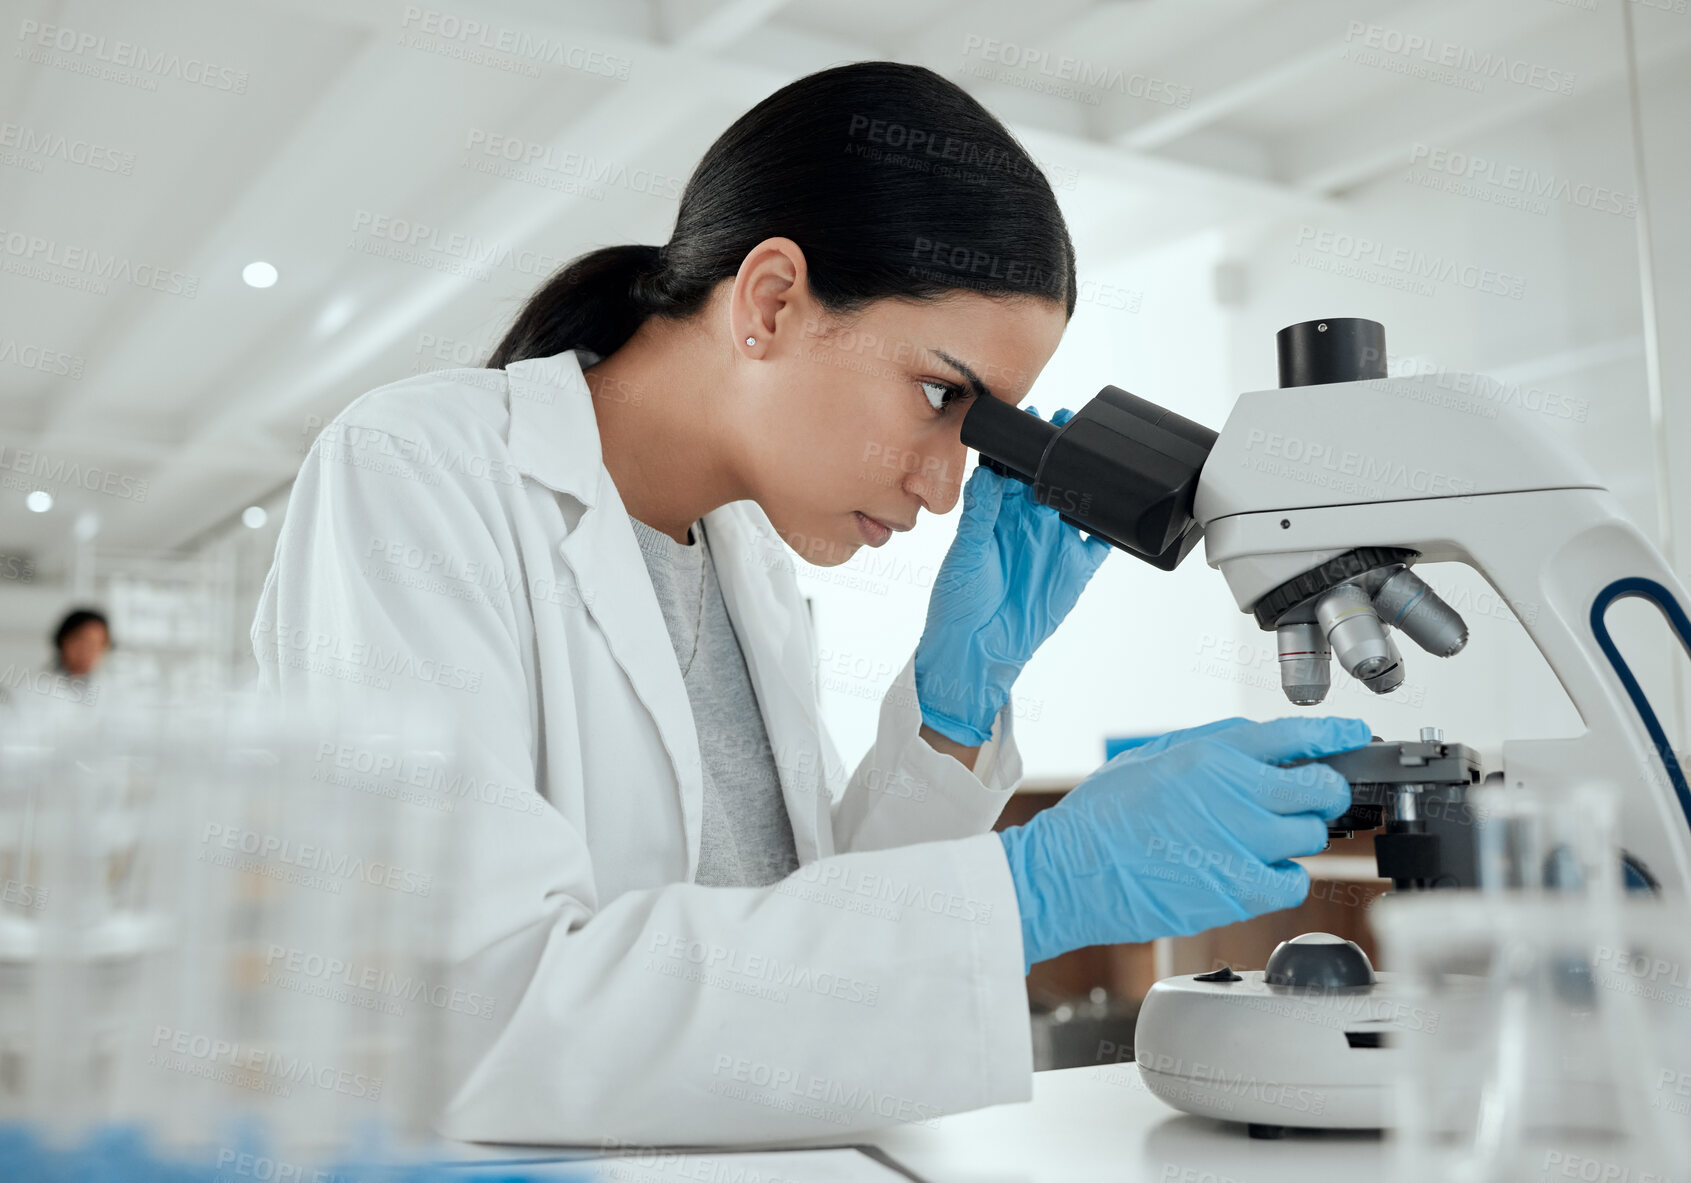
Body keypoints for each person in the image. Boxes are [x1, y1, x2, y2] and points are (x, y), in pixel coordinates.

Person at [252, 61, 1369, 1144]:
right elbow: (468, 1011)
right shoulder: (419, 469)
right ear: (772, 300)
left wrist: (953, 707)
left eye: (978, 429)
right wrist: (1030, 891)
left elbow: (792, 967)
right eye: (940, 395)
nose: (943, 486)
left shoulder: (749, 563)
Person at [52, 607, 111, 680]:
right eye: (83, 642)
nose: (88, 651)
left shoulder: (114, 685)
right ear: (63, 640)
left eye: (97, 645)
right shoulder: (39, 686)